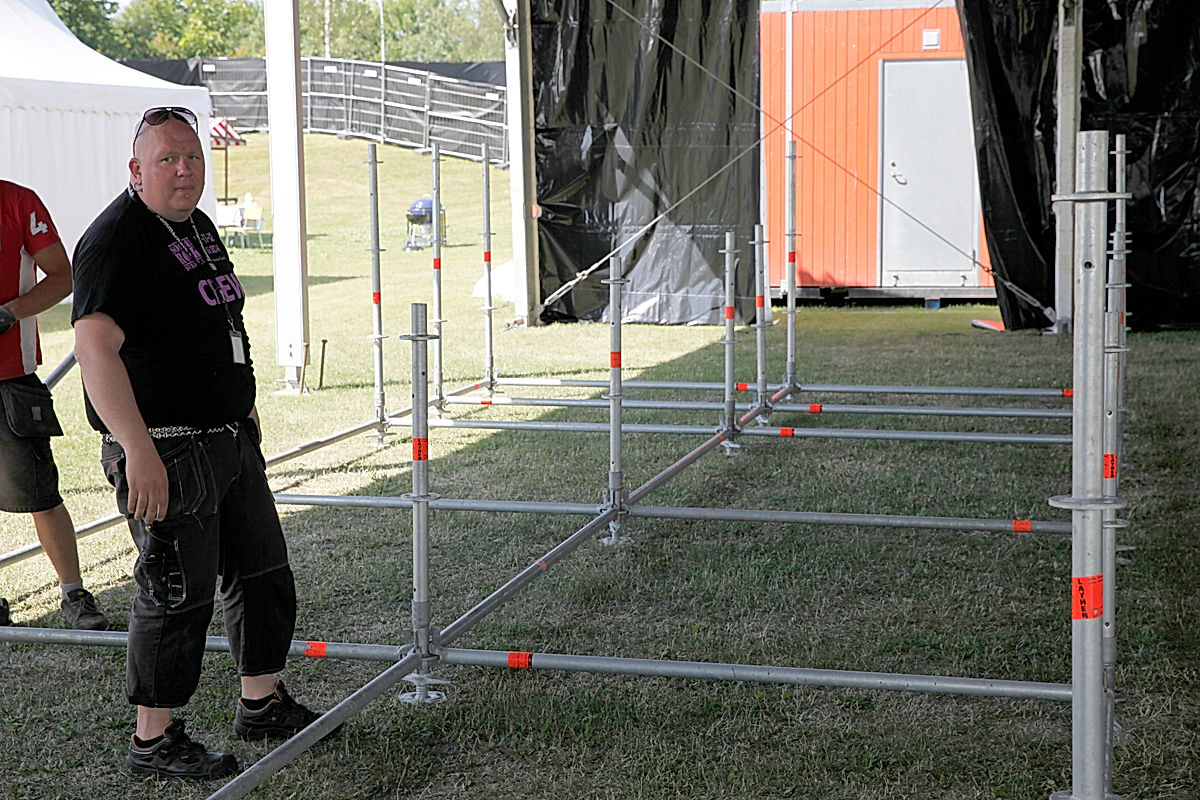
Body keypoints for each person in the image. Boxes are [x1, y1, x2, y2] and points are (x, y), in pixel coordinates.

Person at [71, 107, 326, 780]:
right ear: (136, 169)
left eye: (192, 158)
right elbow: (95, 351)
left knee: (264, 573)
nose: (184, 170)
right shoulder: (116, 240)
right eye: (167, 160)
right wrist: (137, 448)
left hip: (226, 438)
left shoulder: (196, 225)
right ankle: (153, 742)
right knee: (178, 592)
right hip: (166, 447)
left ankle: (261, 701)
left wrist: (239, 415)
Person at [0, 180, 109, 631]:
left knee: (40, 494)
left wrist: (9, 313)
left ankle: (74, 594)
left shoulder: (17, 201)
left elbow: (62, 276)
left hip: (10, 379)